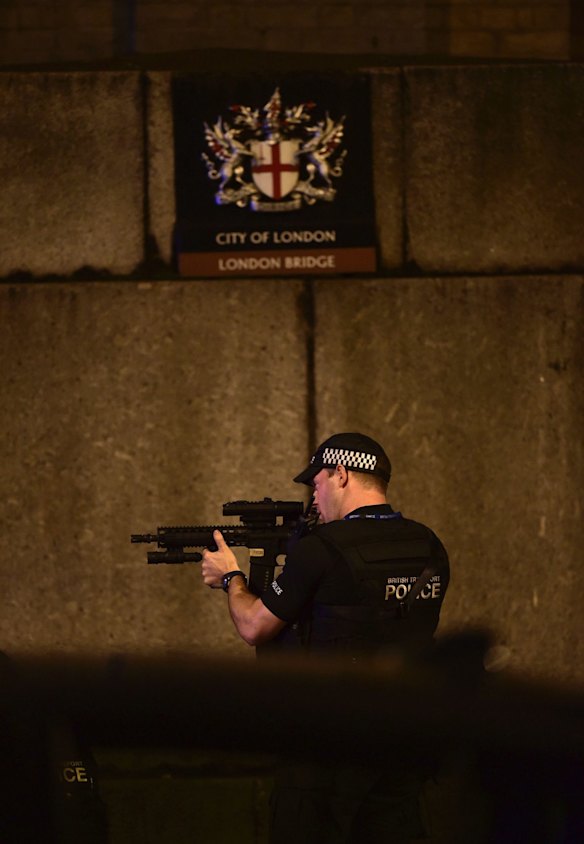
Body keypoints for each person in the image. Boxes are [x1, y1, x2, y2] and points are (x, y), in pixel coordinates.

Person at [201, 432, 450, 843]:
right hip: (404, 737)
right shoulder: (429, 545)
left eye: (316, 484)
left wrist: (231, 577)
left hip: (328, 744)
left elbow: (253, 626)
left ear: (340, 473)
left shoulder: (322, 549)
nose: (313, 500)